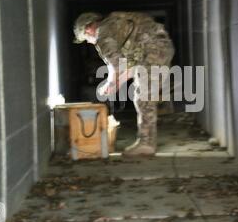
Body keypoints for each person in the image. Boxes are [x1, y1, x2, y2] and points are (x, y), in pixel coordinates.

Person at [74, 12, 175, 156]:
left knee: (142, 98)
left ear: (89, 28)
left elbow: (118, 67)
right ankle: (148, 137)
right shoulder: (114, 25)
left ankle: (147, 144)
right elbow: (129, 69)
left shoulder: (103, 35)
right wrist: (114, 85)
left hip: (153, 51)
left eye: (85, 38)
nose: (89, 42)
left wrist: (109, 84)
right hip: (160, 48)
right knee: (142, 93)